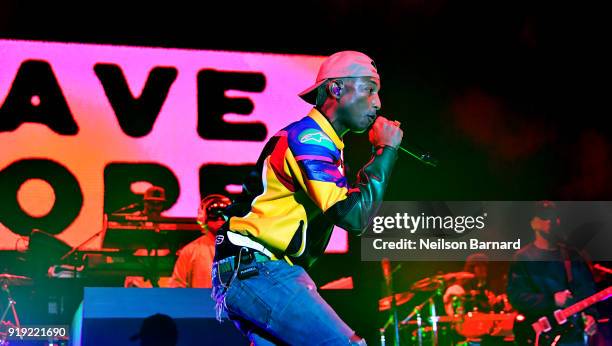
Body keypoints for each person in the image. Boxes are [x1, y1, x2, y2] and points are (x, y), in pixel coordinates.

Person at [211, 50, 403, 345]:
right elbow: (354, 216)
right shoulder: (308, 138)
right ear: (336, 89)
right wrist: (384, 152)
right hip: (258, 269)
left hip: (253, 271)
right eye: (369, 89)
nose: (377, 103)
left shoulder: (324, 143)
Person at [507, 201, 599, 346]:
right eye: (544, 216)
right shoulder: (523, 258)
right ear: (533, 223)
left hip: (572, 337)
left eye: (554, 216)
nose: (550, 220)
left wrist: (591, 317)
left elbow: (586, 292)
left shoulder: (572, 255)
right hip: (539, 336)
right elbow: (517, 297)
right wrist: (553, 300)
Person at [169, 194, 231, 288]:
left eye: (223, 213)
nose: (219, 217)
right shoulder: (190, 251)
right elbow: (177, 286)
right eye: (214, 213)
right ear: (204, 217)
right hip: (199, 302)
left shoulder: (241, 250)